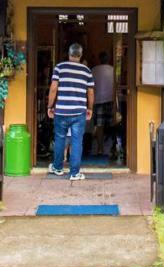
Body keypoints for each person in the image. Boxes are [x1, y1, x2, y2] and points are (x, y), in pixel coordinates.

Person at [47, 43, 95, 181]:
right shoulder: (86, 71)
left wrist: (50, 106)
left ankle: (57, 167)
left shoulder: (59, 68)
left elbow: (53, 89)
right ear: (80, 55)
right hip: (79, 112)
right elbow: (90, 92)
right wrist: (90, 108)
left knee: (60, 139)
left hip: (61, 111)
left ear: (69, 54)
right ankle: (74, 173)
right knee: (76, 141)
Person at [91, 51, 115, 157]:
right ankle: (113, 148)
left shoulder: (94, 70)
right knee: (112, 125)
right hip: (111, 100)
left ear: (99, 59)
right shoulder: (113, 70)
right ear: (108, 59)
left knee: (99, 125)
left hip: (98, 100)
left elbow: (90, 87)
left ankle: (100, 149)